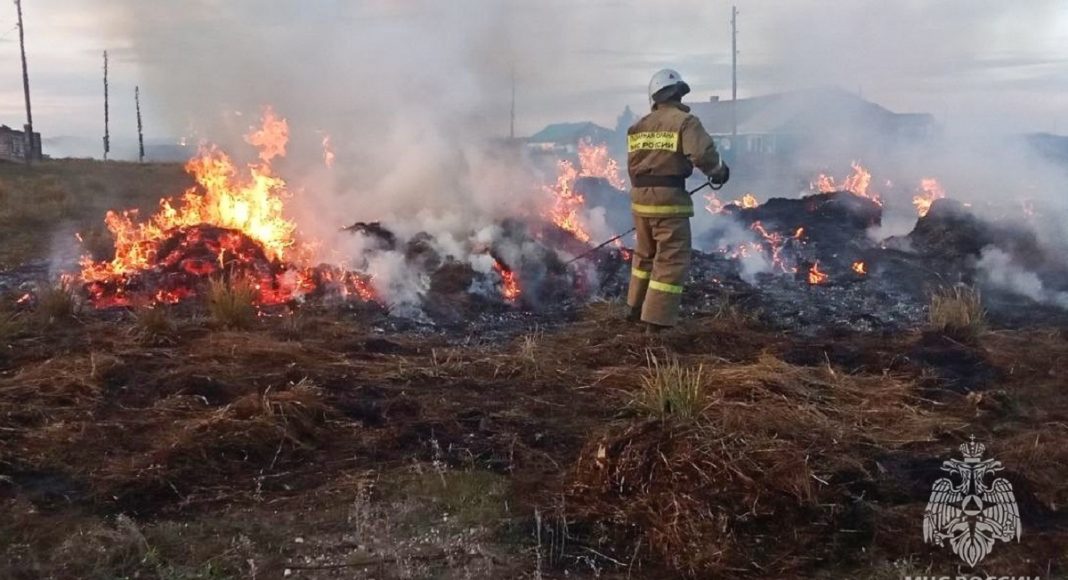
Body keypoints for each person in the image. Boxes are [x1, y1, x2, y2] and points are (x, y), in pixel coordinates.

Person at [626, 69, 730, 332]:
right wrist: (719, 170)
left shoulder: (638, 126)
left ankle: (634, 307)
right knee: (670, 260)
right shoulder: (685, 121)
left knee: (644, 255)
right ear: (678, 93)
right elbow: (702, 154)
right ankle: (655, 323)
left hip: (640, 201)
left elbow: (634, 165)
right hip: (668, 202)